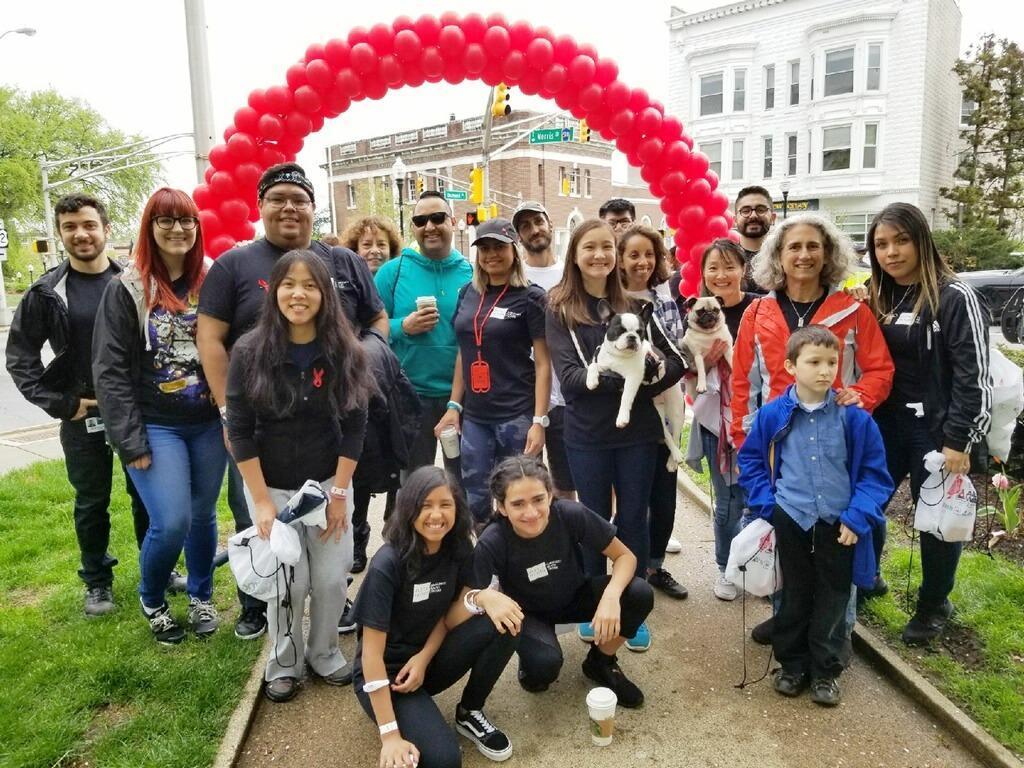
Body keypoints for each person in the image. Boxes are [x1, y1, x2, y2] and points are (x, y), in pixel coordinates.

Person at [198, 162, 387, 640]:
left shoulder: (342, 261)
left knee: (325, 561)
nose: (289, 207)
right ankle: (257, 610)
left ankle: (325, 627)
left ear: (313, 208)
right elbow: (211, 340)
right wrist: (228, 410)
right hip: (262, 436)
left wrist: (356, 368)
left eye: (299, 199)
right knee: (268, 538)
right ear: (259, 206)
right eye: (277, 197)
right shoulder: (233, 265)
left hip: (328, 436)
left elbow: (376, 320)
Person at [730, 213, 894, 645]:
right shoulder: (756, 313)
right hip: (778, 445)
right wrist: (743, 440)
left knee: (838, 541)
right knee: (787, 539)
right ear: (778, 257)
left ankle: (835, 633)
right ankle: (790, 621)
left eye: (813, 246)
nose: (803, 255)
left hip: (835, 444)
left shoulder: (853, 312)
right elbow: (743, 381)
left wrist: (858, 395)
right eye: (793, 247)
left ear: (828, 254)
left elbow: (879, 370)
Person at [226, 250, 371, 702]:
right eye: (289, 284)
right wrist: (262, 502)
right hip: (271, 486)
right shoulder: (250, 351)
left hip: (329, 484)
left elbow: (355, 426)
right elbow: (239, 431)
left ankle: (324, 651)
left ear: (325, 294)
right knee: (290, 581)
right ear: (274, 291)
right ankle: (283, 662)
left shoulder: (345, 350)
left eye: (310, 285)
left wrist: (341, 492)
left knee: (330, 578)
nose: (299, 294)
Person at [5, 193, 152, 617]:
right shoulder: (46, 292)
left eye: (89, 225)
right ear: (60, 234)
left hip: (134, 410)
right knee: (91, 501)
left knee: (145, 495)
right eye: (70, 227)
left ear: (106, 229)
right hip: (82, 413)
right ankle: (97, 582)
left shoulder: (134, 280)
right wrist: (64, 404)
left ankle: (153, 569)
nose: (81, 234)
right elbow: (21, 359)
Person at [92, 188, 226, 643]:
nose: (178, 229)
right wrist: (130, 442)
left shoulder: (212, 280)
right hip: (156, 425)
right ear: (149, 228)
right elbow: (109, 372)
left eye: (187, 220)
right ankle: (152, 597)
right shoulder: (127, 288)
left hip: (207, 425)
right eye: (165, 220)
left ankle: (201, 594)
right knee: (171, 521)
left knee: (204, 515)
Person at [546, 219, 687, 653]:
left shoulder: (634, 305)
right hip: (585, 433)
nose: (600, 256)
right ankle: (593, 603)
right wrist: (635, 375)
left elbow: (677, 362)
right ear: (575, 254)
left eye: (608, 247)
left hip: (637, 435)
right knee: (590, 520)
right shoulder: (559, 307)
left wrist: (640, 376)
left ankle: (630, 607)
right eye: (590, 247)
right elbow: (570, 379)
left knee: (632, 519)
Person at [737, 326, 892, 706]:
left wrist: (857, 518)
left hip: (839, 526)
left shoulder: (854, 418)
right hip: (790, 518)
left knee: (834, 598)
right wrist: (768, 506)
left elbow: (875, 475)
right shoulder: (774, 414)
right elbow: (752, 461)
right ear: (791, 366)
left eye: (832, 362)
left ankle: (825, 671)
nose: (825, 371)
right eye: (814, 362)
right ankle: (792, 666)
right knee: (792, 594)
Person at [865, 202, 991, 646]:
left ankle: (935, 602)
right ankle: (867, 576)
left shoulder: (954, 297)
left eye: (901, 240)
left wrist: (959, 439)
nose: (891, 252)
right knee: (864, 504)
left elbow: (973, 375)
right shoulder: (876, 294)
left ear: (921, 240)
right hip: (883, 426)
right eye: (881, 244)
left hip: (936, 432)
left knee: (937, 521)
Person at [353, 466, 519, 766]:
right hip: (390, 675)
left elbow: (447, 617)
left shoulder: (458, 547)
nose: (436, 515)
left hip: (428, 657)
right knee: (444, 760)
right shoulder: (387, 564)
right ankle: (403, 717)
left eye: (445, 504)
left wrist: (425, 657)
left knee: (504, 620)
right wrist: (389, 735)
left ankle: (469, 712)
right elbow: (370, 657)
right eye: (425, 505)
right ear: (408, 509)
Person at [470, 456, 654, 707]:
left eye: (538, 499)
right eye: (518, 504)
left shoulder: (570, 514)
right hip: (528, 614)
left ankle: (601, 662)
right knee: (543, 669)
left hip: (574, 595)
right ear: (502, 507)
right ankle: (531, 656)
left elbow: (625, 557)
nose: (531, 513)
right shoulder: (492, 542)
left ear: (550, 495)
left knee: (639, 593)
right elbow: (479, 599)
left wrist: (611, 597)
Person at [435, 218, 550, 527]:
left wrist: (539, 421)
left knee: (521, 494)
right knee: (476, 498)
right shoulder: (467, 293)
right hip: (476, 418)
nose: (491, 255)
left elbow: (543, 362)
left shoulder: (532, 297)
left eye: (499, 247)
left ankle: (522, 566)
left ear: (514, 250)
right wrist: (453, 406)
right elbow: (464, 351)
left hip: (517, 414)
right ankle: (489, 566)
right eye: (484, 248)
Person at [374, 191, 473, 477]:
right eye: (420, 220)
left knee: (463, 482)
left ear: (452, 222)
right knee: (416, 484)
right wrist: (402, 326)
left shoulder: (471, 272)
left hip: (462, 396)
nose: (429, 226)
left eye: (438, 218)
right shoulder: (392, 272)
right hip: (410, 395)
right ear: (413, 227)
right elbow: (368, 328)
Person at [618, 224, 688, 601]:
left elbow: (678, 351)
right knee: (633, 495)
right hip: (628, 410)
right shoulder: (610, 298)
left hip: (666, 397)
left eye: (649, 254)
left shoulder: (664, 295)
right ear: (620, 259)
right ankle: (630, 570)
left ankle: (655, 565)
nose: (642, 262)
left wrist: (659, 380)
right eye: (633, 255)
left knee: (665, 491)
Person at [683, 238, 756, 601]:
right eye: (713, 267)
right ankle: (726, 566)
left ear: (743, 268)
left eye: (729, 266)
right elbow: (685, 375)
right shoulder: (695, 315)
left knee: (759, 497)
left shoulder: (763, 307)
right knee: (728, 499)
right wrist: (705, 364)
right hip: (716, 418)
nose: (721, 274)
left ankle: (757, 564)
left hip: (759, 417)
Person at [341, 213, 404, 573]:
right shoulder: (346, 281)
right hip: (357, 384)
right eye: (367, 245)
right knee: (360, 466)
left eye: (381, 244)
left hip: (393, 383)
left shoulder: (394, 278)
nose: (375, 251)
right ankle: (357, 539)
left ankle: (393, 537)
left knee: (395, 463)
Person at [513, 200, 575, 501]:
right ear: (518, 237)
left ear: (550, 225)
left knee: (566, 484)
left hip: (567, 395)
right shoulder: (515, 279)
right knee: (529, 484)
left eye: (538, 221)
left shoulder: (571, 274)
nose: (534, 230)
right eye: (525, 226)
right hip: (528, 397)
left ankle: (571, 544)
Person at [733, 186, 776, 290]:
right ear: (735, 220)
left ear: (773, 218)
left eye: (761, 210)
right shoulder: (726, 257)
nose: (753, 215)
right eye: (745, 211)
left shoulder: (783, 257)